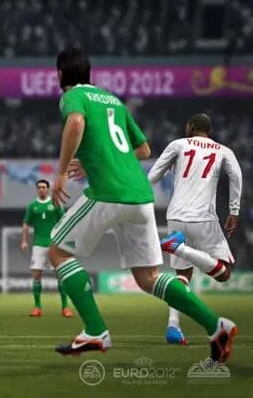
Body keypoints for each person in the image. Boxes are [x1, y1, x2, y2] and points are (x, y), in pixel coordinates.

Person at [47, 47, 237, 363]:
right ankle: (216, 325)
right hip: (140, 196)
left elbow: (76, 122)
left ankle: (95, 331)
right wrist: (102, 160)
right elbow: (144, 149)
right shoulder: (113, 101)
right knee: (148, 277)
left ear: (60, 74)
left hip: (109, 193)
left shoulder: (72, 97)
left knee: (57, 252)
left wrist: (63, 171)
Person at [148, 113, 243, 345]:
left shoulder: (178, 144)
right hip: (203, 218)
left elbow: (152, 176)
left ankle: (173, 327)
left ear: (190, 127)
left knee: (182, 275)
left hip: (176, 215)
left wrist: (173, 173)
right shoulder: (223, 150)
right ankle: (180, 248)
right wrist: (234, 210)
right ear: (208, 130)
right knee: (225, 272)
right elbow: (236, 176)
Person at [20, 179, 72, 318]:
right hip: (38, 245)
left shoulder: (55, 203)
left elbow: (64, 222)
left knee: (60, 276)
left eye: (43, 187)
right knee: (36, 276)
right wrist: (24, 241)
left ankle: (65, 307)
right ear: (37, 189)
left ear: (47, 189)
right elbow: (26, 223)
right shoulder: (32, 206)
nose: (41, 189)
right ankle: (37, 307)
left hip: (54, 245)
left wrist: (64, 242)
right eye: (39, 187)